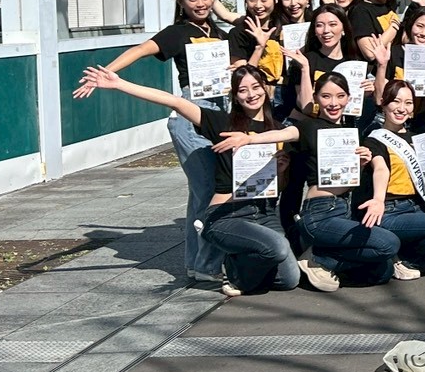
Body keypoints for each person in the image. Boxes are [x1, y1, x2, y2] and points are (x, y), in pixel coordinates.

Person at [77, 64, 299, 297]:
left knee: (288, 280)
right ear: (234, 95)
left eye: (256, 87)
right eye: (243, 90)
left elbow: (278, 187)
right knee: (277, 248)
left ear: (266, 88)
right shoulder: (222, 123)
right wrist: (119, 84)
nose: (251, 94)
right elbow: (176, 102)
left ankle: (244, 255)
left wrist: (281, 171)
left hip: (263, 214)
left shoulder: (277, 129)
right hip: (227, 214)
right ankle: (235, 273)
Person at [73, 0, 228, 283]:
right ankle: (203, 264)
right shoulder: (177, 32)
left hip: (221, 110)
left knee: (213, 189)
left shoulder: (218, 31)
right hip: (191, 112)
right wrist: (106, 75)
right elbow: (140, 50)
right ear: (181, 3)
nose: (201, 4)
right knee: (207, 190)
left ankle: (203, 261)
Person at [275, 73, 408, 291]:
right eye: (326, 96)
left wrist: (364, 163)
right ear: (316, 98)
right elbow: (287, 133)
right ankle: (319, 260)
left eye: (340, 96)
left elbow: (373, 169)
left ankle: (326, 260)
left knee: (382, 270)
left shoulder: (353, 129)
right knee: (388, 244)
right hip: (320, 211)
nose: (334, 103)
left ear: (348, 98)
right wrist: (250, 139)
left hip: (344, 209)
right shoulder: (310, 125)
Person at [362, 80, 425, 276]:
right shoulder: (374, 138)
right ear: (383, 103)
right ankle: (408, 261)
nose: (402, 108)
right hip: (390, 211)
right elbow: (380, 169)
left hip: (416, 207)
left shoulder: (418, 139)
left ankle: (404, 254)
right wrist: (377, 200)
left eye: (408, 103)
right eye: (396, 101)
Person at [227, 0, 285, 86]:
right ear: (245, 1)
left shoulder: (285, 28)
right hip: (256, 96)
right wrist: (259, 47)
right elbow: (241, 79)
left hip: (286, 94)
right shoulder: (238, 33)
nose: (258, 5)